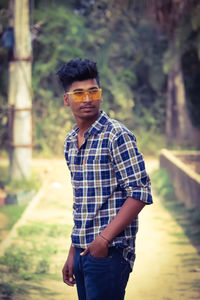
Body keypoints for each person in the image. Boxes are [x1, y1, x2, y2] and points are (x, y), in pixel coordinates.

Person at [57, 58, 153, 300]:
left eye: (93, 92)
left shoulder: (116, 135)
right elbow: (83, 203)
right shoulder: (71, 142)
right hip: (83, 252)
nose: (87, 99)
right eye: (78, 93)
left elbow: (140, 192)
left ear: (100, 95)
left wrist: (103, 240)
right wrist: (73, 250)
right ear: (66, 100)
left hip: (109, 252)